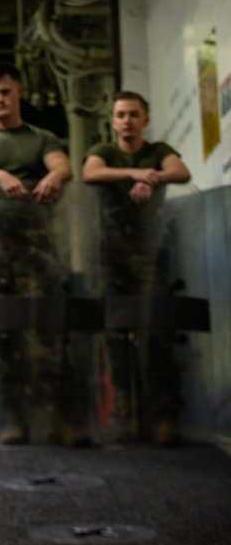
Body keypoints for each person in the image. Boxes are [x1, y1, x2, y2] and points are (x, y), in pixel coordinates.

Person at [0, 60, 89, 447]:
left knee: (48, 329)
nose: (0, 99)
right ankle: (13, 418)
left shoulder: (41, 137)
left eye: (6, 92)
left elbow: (62, 165)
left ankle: (61, 418)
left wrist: (53, 176)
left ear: (19, 92)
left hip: (37, 245)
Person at [81, 90, 191, 447]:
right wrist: (137, 173)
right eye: (120, 114)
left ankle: (166, 416)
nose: (126, 120)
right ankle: (128, 418)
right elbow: (90, 173)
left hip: (149, 257)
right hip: (110, 258)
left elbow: (181, 171)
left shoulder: (157, 151)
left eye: (133, 114)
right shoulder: (105, 152)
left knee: (156, 335)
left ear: (145, 118)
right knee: (116, 338)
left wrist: (153, 178)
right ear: (112, 121)